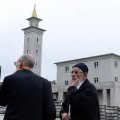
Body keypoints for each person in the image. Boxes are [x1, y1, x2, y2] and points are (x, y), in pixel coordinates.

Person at [0, 54, 56, 120]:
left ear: (21, 62)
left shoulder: (10, 79)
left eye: (16, 63)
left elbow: (2, 102)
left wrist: (16, 72)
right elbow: (51, 111)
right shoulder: (45, 83)